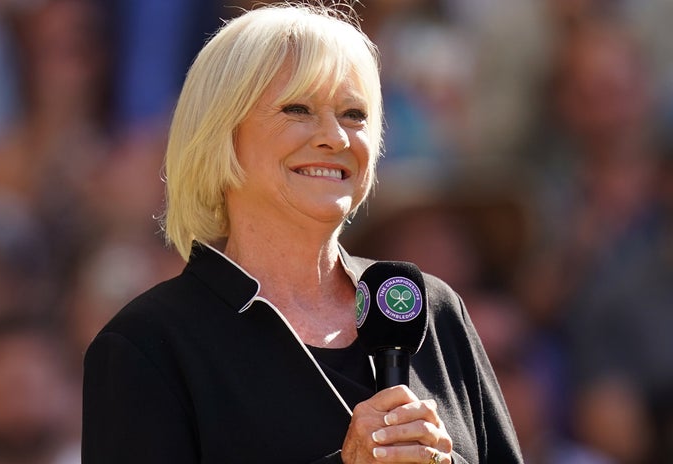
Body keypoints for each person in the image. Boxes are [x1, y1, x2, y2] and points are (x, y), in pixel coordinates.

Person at [81, 4, 523, 463]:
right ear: (220, 133)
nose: (335, 137)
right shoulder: (147, 344)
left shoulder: (429, 309)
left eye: (354, 114)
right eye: (298, 109)